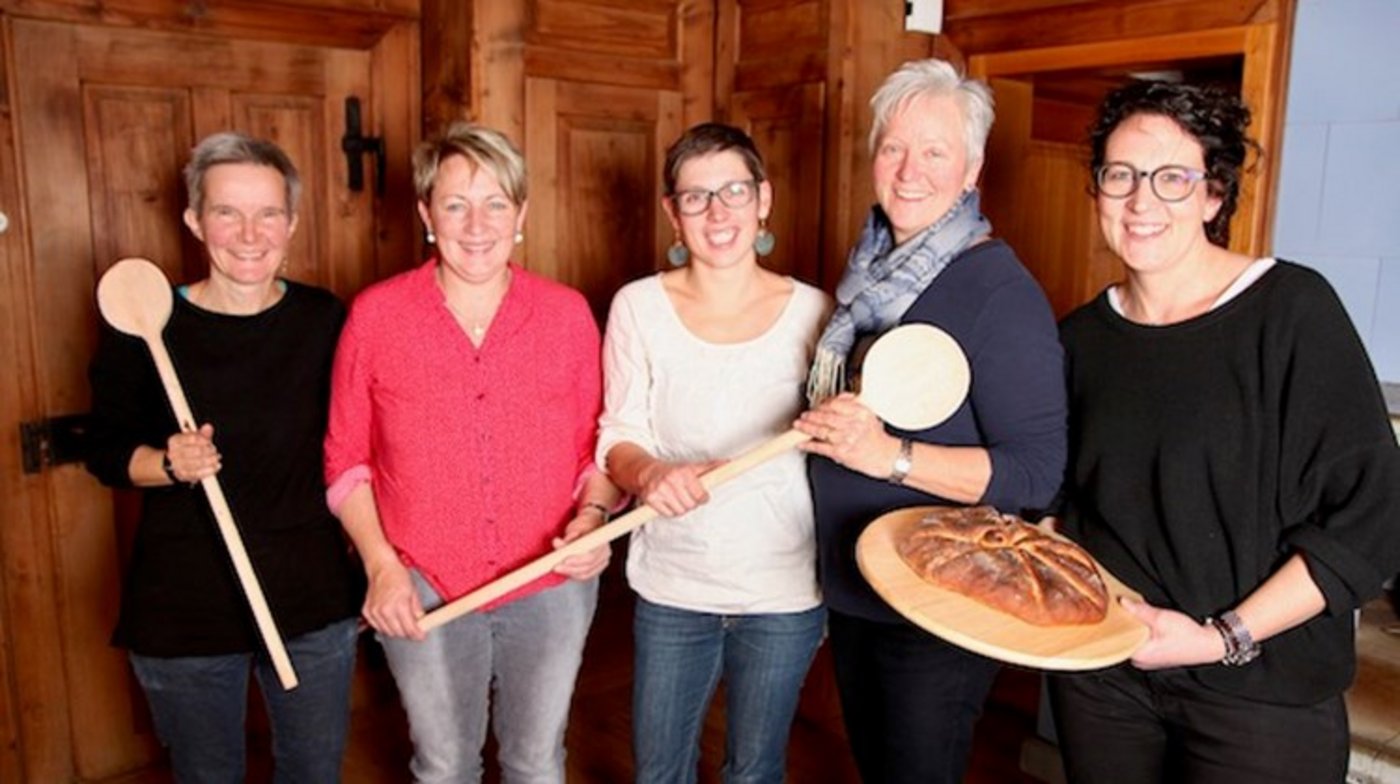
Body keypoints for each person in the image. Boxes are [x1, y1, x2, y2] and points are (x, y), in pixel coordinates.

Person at [1048, 80, 1400, 784]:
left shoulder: (1291, 311)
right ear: (1096, 193)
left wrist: (1218, 638)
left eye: (1172, 178)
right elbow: (1063, 504)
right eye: (1120, 175)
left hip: (1261, 687)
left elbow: (1372, 516)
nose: (1142, 201)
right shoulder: (1081, 338)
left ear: (1213, 195)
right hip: (1107, 679)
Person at [793, 59, 1067, 784]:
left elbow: (1035, 472)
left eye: (935, 152)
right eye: (893, 147)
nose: (909, 170)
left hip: (939, 607)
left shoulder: (998, 292)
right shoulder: (870, 274)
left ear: (971, 169)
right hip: (860, 587)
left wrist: (888, 457)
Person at [323, 121, 618, 784]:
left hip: (549, 580)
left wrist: (593, 520)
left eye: (495, 204)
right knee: (443, 764)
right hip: (420, 582)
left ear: (521, 215)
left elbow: (598, 449)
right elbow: (345, 461)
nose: (476, 224)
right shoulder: (375, 316)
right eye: (455, 204)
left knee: (535, 761)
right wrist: (380, 567)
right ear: (427, 214)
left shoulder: (567, 314)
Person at [85, 132, 364, 783]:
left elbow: (364, 439)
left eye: (268, 212)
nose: (249, 233)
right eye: (226, 212)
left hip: (309, 594)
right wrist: (169, 462)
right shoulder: (145, 329)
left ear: (292, 223)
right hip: (185, 601)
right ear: (193, 219)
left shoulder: (325, 320)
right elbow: (104, 451)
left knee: (313, 772)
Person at [597, 122, 832, 784]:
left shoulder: (816, 313)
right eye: (696, 197)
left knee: (754, 772)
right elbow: (618, 434)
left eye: (733, 191)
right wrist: (648, 473)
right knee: (659, 773)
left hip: (784, 589)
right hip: (675, 585)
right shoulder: (637, 307)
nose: (718, 211)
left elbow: (841, 450)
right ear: (673, 213)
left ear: (764, 199)